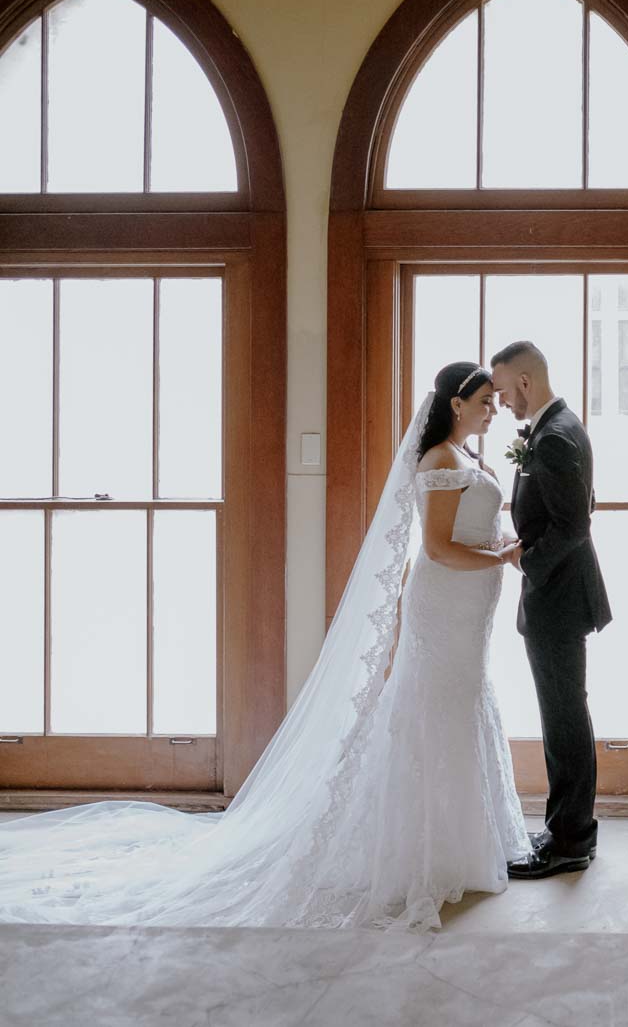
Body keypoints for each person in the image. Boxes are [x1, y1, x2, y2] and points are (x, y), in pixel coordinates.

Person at [0, 362, 531, 930]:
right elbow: (438, 549)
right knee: (436, 706)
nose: (493, 408)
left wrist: (503, 542)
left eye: (496, 402)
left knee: (461, 702)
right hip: (447, 601)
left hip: (468, 608)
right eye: (485, 400)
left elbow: (468, 531)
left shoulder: (466, 458)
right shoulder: (440, 461)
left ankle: (467, 837)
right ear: (455, 403)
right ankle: (429, 848)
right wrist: (501, 558)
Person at [490, 340, 612, 880]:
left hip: (558, 598)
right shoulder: (559, 426)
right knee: (565, 717)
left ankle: (569, 842)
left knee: (563, 721)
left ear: (523, 382)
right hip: (560, 595)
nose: (502, 404)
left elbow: (574, 525)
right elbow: (582, 503)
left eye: (502, 391)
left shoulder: (555, 437)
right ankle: (570, 830)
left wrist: (525, 558)